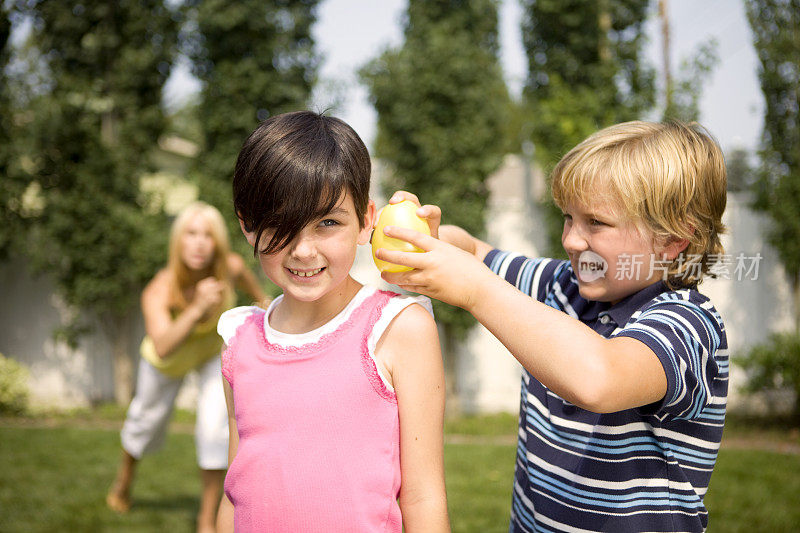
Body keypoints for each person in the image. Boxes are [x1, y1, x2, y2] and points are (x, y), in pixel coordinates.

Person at [376, 121, 729, 532]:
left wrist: (475, 288)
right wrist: (430, 238)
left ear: (673, 239)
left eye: (596, 222)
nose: (572, 240)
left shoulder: (690, 324)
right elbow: (473, 250)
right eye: (568, 218)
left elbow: (600, 379)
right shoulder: (563, 287)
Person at [214, 111, 450, 532]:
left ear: (365, 221)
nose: (304, 250)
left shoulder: (399, 329)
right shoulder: (238, 339)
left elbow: (424, 496)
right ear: (247, 225)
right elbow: (235, 491)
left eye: (327, 223)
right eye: (281, 223)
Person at [106, 201, 266, 533]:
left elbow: (261, 298)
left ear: (218, 242)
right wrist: (196, 308)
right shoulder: (161, 286)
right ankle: (123, 482)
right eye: (190, 234)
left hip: (209, 355)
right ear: (178, 241)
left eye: (207, 235)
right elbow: (163, 347)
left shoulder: (230, 268)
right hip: (166, 362)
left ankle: (206, 519)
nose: (198, 243)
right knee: (144, 424)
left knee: (214, 430)